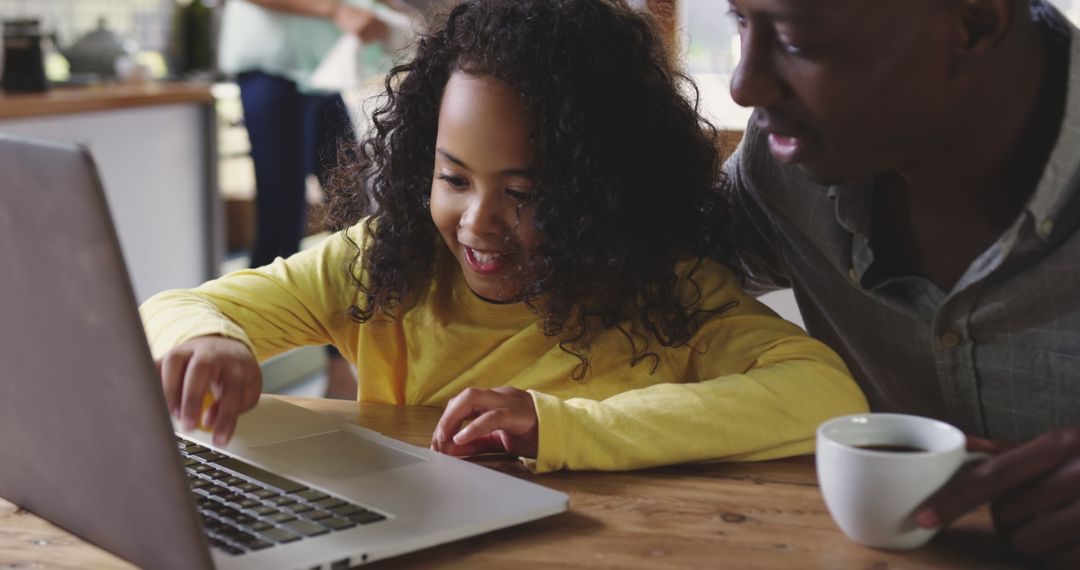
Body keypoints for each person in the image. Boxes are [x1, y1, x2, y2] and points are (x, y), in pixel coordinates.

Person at [140, 0, 866, 474]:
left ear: (604, 192)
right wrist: (208, 341)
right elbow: (172, 307)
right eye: (453, 179)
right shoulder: (386, 264)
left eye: (523, 194)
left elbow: (826, 395)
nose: (478, 223)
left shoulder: (664, 291)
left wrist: (564, 428)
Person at [723, 0, 1079, 566]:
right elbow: (644, 278)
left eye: (797, 42)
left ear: (975, 23)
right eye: (739, 20)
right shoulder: (783, 168)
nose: (746, 86)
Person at [218, 0, 421, 399]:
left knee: (358, 224)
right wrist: (335, 11)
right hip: (271, 66)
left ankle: (340, 373)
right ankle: (227, 370)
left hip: (319, 73)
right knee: (281, 222)